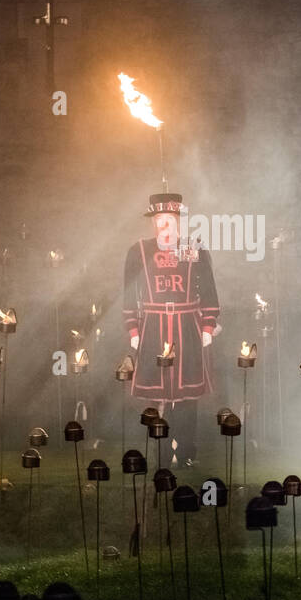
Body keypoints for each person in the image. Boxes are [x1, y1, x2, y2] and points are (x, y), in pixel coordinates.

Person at [122, 192, 220, 467]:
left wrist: (207, 325)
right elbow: (129, 295)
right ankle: (161, 454)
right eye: (159, 219)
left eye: (169, 219)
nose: (164, 224)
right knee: (156, 395)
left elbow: (209, 290)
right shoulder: (138, 251)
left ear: (178, 221)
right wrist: (133, 329)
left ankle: (187, 452)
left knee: (188, 395)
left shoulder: (194, 248)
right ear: (153, 222)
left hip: (187, 326)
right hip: (153, 326)